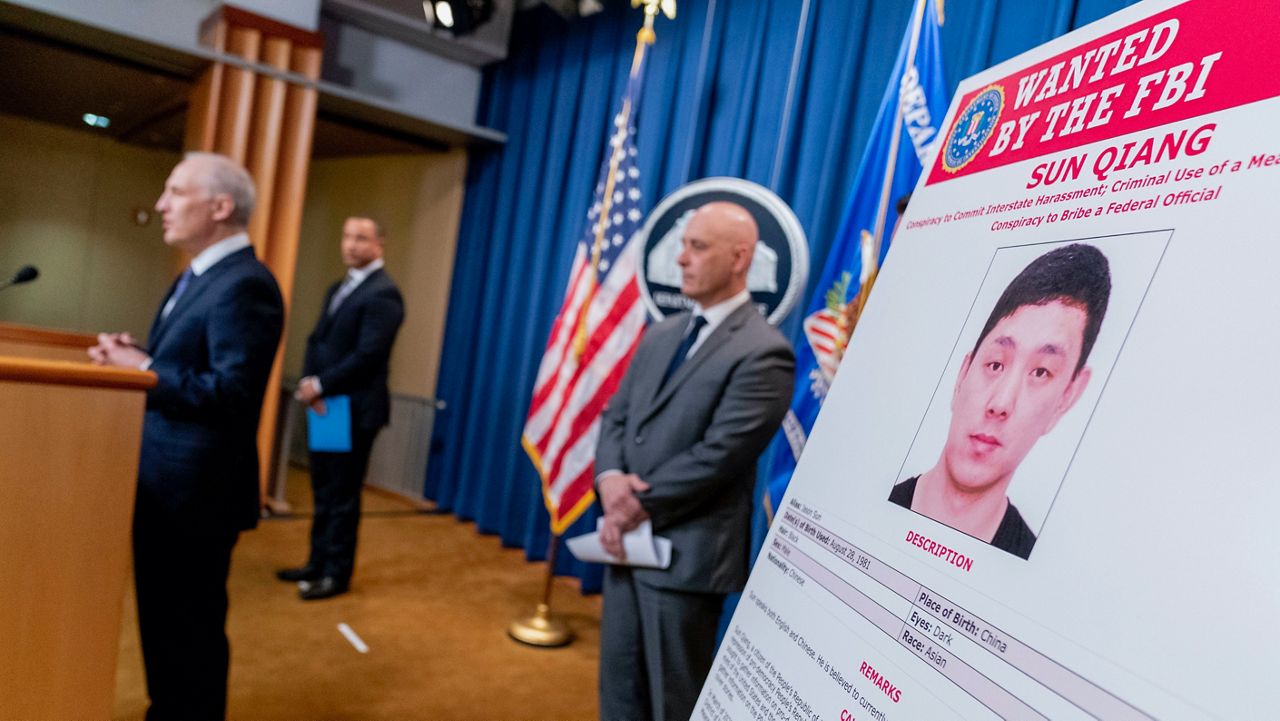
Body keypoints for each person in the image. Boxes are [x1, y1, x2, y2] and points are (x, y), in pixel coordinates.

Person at [89, 152, 283, 720]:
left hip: (197, 496)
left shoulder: (246, 284)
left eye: (175, 192)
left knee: (189, 633)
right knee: (166, 627)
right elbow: (186, 370)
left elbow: (232, 394)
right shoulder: (199, 274)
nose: (161, 205)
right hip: (166, 487)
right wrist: (140, 359)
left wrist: (141, 370)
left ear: (220, 207)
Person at [595, 201, 795, 721]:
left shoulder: (764, 351)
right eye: (683, 246)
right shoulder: (661, 333)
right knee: (619, 695)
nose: (680, 259)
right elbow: (617, 416)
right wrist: (609, 477)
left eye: (697, 247)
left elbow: (720, 457)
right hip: (627, 549)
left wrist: (628, 505)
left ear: (739, 257)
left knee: (674, 704)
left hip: (686, 560)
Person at [890, 243, 1111, 559]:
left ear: (1066, 398)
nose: (1001, 403)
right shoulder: (869, 504)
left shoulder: (1029, 573)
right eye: (995, 364)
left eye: (1040, 372)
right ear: (963, 374)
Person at [276, 216, 404, 600]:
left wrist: (321, 384)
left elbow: (368, 356)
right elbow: (321, 342)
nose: (350, 245)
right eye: (347, 236)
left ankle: (336, 574)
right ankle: (316, 562)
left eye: (361, 238)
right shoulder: (340, 286)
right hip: (327, 408)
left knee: (343, 497)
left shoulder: (384, 293)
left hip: (354, 409)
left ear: (380, 244)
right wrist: (312, 386)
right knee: (325, 491)